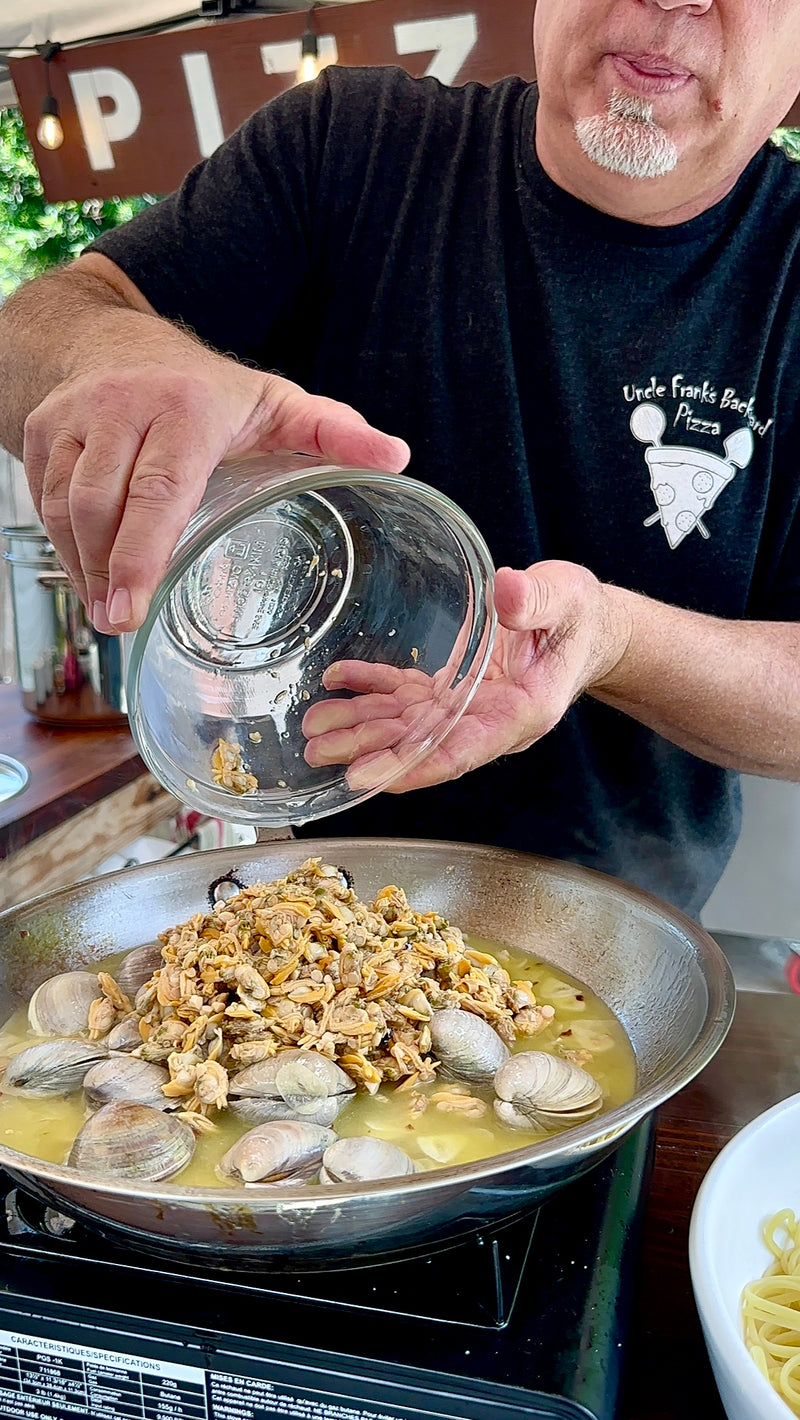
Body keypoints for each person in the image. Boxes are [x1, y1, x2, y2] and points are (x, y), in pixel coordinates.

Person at [1, 0, 800, 918]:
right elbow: (32, 330)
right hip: (311, 901)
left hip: (625, 936)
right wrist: (118, 357)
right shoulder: (352, 144)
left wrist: (613, 642)